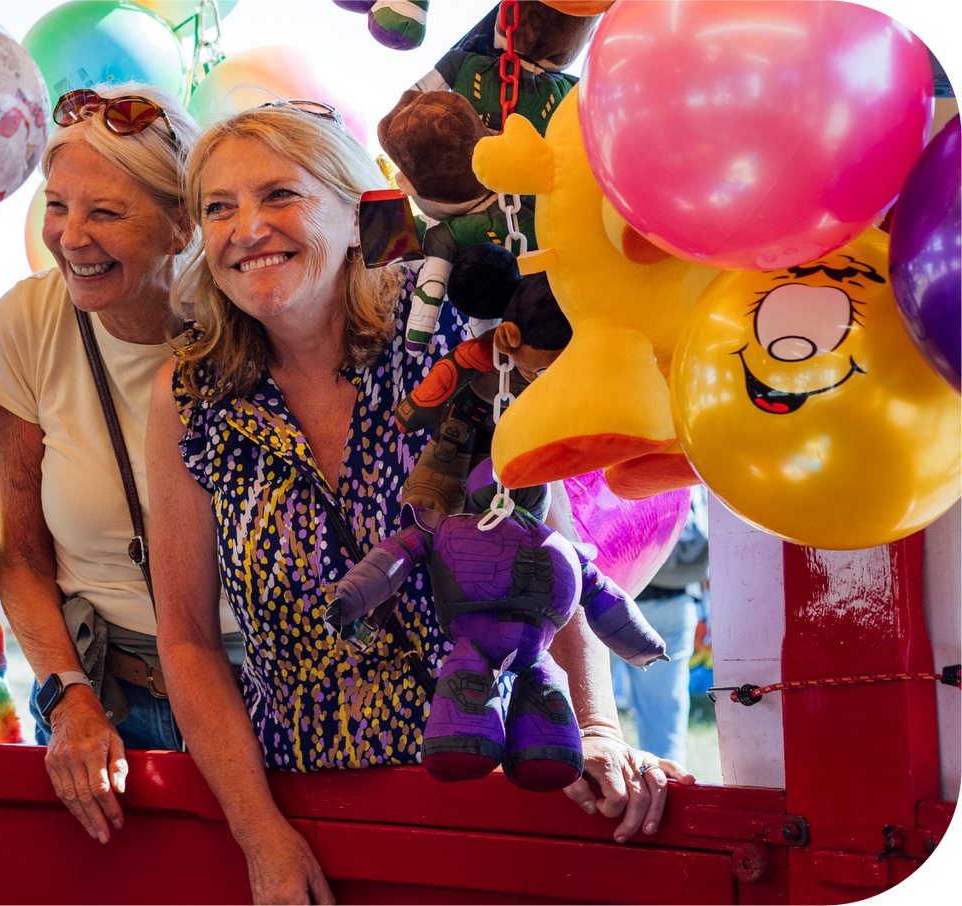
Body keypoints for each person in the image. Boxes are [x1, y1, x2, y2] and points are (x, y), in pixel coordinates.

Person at [144, 103, 692, 906]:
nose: (246, 227)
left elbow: (551, 554)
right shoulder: (189, 395)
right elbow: (187, 640)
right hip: (306, 816)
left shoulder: (455, 338)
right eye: (218, 208)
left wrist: (598, 730)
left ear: (360, 208)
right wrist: (260, 833)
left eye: (280, 196)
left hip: (497, 795)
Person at [0, 83, 236, 845]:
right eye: (58, 206)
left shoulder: (252, 318)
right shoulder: (28, 322)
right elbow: (21, 555)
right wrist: (69, 700)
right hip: (104, 702)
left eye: (105, 212)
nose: (70, 237)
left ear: (180, 226)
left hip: (261, 692)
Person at [612, 488, 711, 765]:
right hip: (677, 599)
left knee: (585, 714)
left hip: (612, 600)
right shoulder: (683, 459)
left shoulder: (617, 456)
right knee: (665, 719)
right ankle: (668, 791)